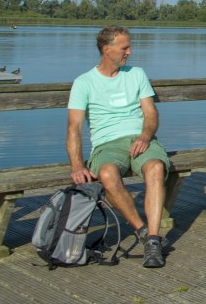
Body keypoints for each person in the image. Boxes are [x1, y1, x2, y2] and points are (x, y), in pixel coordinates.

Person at [67, 26, 170, 268]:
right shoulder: (84, 82)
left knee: (155, 167)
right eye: (124, 48)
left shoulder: (136, 74)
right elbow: (74, 127)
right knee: (106, 174)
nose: (129, 52)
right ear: (107, 50)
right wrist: (77, 164)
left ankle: (154, 239)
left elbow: (151, 113)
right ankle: (143, 231)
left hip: (140, 138)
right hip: (107, 144)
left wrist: (145, 136)